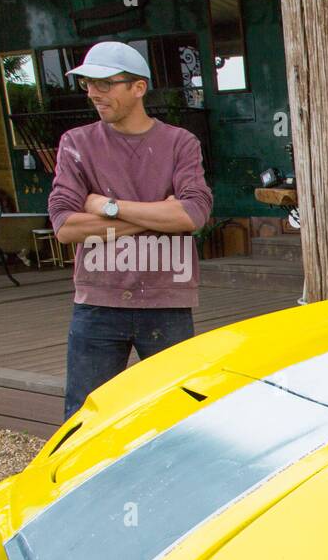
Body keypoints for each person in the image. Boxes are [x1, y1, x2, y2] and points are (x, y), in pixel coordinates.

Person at [49, 41, 213, 421]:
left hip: (168, 300)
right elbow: (65, 226)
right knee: (85, 419)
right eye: (88, 83)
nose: (92, 92)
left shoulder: (180, 143)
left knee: (178, 416)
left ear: (138, 88)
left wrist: (108, 207)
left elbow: (193, 215)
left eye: (105, 84)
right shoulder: (76, 144)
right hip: (97, 301)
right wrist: (159, 213)